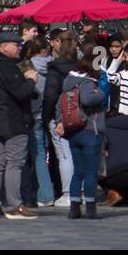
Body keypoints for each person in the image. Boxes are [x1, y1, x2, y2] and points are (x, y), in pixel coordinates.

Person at [0, 29, 38, 220]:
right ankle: (14, 206)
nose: (20, 47)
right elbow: (21, 92)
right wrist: (30, 80)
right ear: (4, 47)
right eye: (16, 44)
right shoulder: (6, 67)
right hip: (13, 120)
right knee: (14, 163)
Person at [60, 45, 108, 218]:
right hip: (89, 130)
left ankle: (74, 207)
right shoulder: (88, 83)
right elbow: (88, 100)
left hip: (73, 131)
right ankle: (90, 207)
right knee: (90, 172)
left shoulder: (68, 82)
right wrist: (102, 94)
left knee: (78, 171)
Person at [42, 30, 79, 208]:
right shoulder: (82, 66)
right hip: (80, 115)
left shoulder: (55, 68)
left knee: (64, 155)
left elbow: (50, 96)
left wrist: (46, 116)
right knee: (78, 153)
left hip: (60, 117)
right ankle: (80, 190)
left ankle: (67, 193)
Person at [21, 39, 55, 208]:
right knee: (53, 154)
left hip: (34, 114)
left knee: (38, 155)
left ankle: (45, 193)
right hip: (50, 113)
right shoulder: (53, 65)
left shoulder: (28, 67)